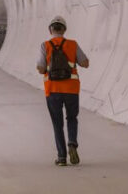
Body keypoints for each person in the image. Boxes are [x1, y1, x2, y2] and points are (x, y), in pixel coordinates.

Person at [36, 15, 89, 166]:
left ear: (50, 29)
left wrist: (47, 67)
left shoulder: (44, 45)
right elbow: (85, 63)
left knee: (57, 123)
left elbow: (40, 69)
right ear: (64, 29)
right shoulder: (72, 44)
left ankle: (61, 158)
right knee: (72, 118)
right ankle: (72, 143)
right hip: (71, 89)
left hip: (52, 89)